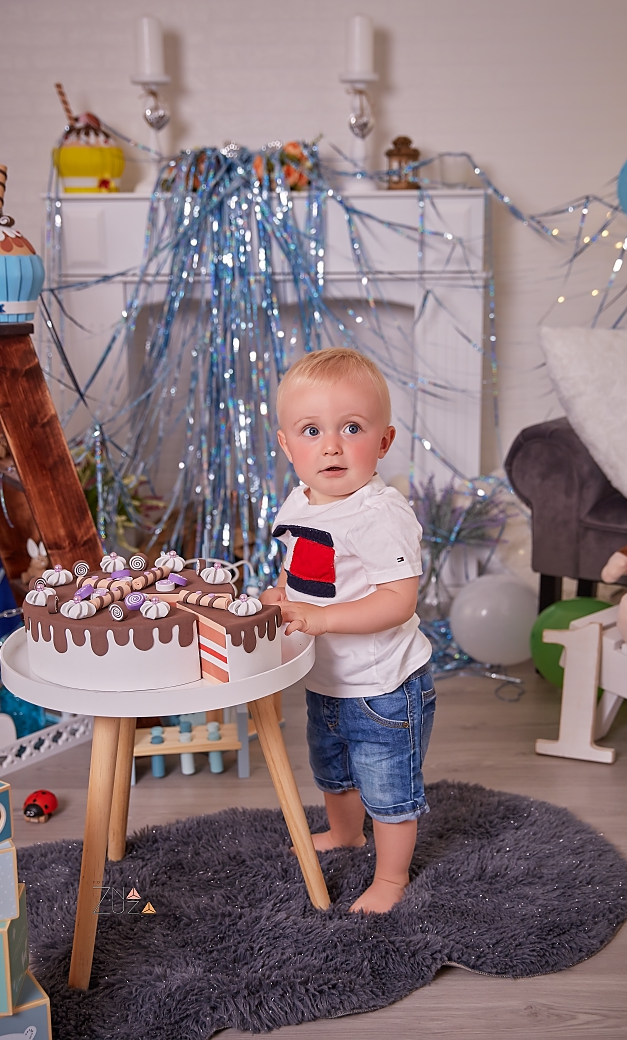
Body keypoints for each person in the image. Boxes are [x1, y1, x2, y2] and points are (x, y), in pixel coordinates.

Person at [260, 348, 434, 913]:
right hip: (328, 677)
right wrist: (282, 596)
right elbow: (299, 568)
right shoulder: (301, 501)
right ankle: (343, 833)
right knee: (333, 769)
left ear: (384, 441)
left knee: (388, 788)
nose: (331, 446)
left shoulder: (380, 514)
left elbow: (398, 601)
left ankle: (391, 878)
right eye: (311, 431)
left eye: (352, 428)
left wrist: (321, 619)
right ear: (287, 444)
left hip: (384, 686)